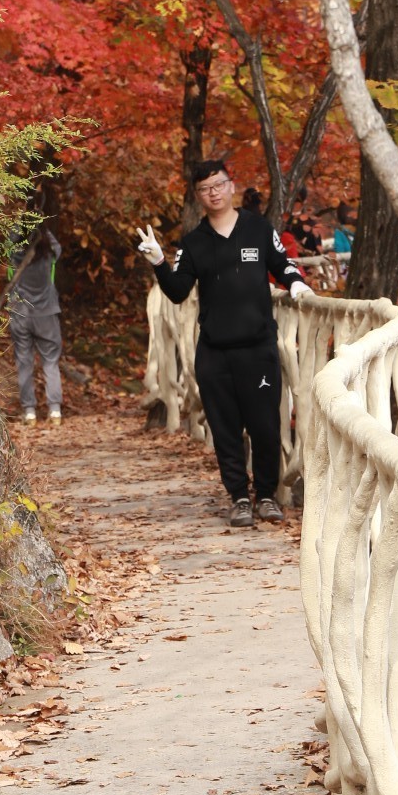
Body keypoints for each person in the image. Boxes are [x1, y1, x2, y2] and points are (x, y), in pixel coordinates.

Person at [136, 158, 303, 529]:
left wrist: (296, 284)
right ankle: (239, 497)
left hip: (258, 349)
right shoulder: (195, 242)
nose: (213, 193)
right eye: (205, 189)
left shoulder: (258, 229)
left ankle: (265, 495)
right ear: (199, 196)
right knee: (224, 427)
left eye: (219, 185)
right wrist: (160, 261)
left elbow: (282, 263)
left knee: (264, 426)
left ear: (231, 186)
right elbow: (178, 291)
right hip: (214, 351)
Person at [8, 224, 63, 424]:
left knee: (24, 362)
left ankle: (29, 412)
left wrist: (21, 223)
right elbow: (57, 246)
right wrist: (42, 224)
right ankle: (55, 410)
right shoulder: (49, 255)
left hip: (20, 313)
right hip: (46, 313)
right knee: (50, 361)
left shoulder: (15, 256)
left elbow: (9, 242)